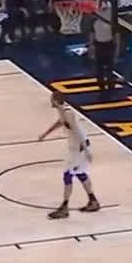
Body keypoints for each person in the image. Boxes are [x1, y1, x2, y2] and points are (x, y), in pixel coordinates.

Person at [38, 91, 101, 219]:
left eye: (51, 99)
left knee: (67, 174)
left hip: (79, 148)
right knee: (80, 173)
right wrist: (45, 134)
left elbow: (77, 131)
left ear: (56, 101)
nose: (50, 101)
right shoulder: (62, 111)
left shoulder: (68, 112)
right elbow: (60, 122)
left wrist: (86, 150)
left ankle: (64, 208)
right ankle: (93, 201)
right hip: (77, 148)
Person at [91, 4, 117, 92]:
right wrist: (91, 48)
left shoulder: (111, 21)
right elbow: (92, 34)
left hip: (108, 44)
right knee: (100, 67)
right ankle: (102, 84)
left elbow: (116, 36)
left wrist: (116, 51)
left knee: (109, 67)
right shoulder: (95, 22)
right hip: (99, 45)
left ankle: (110, 83)